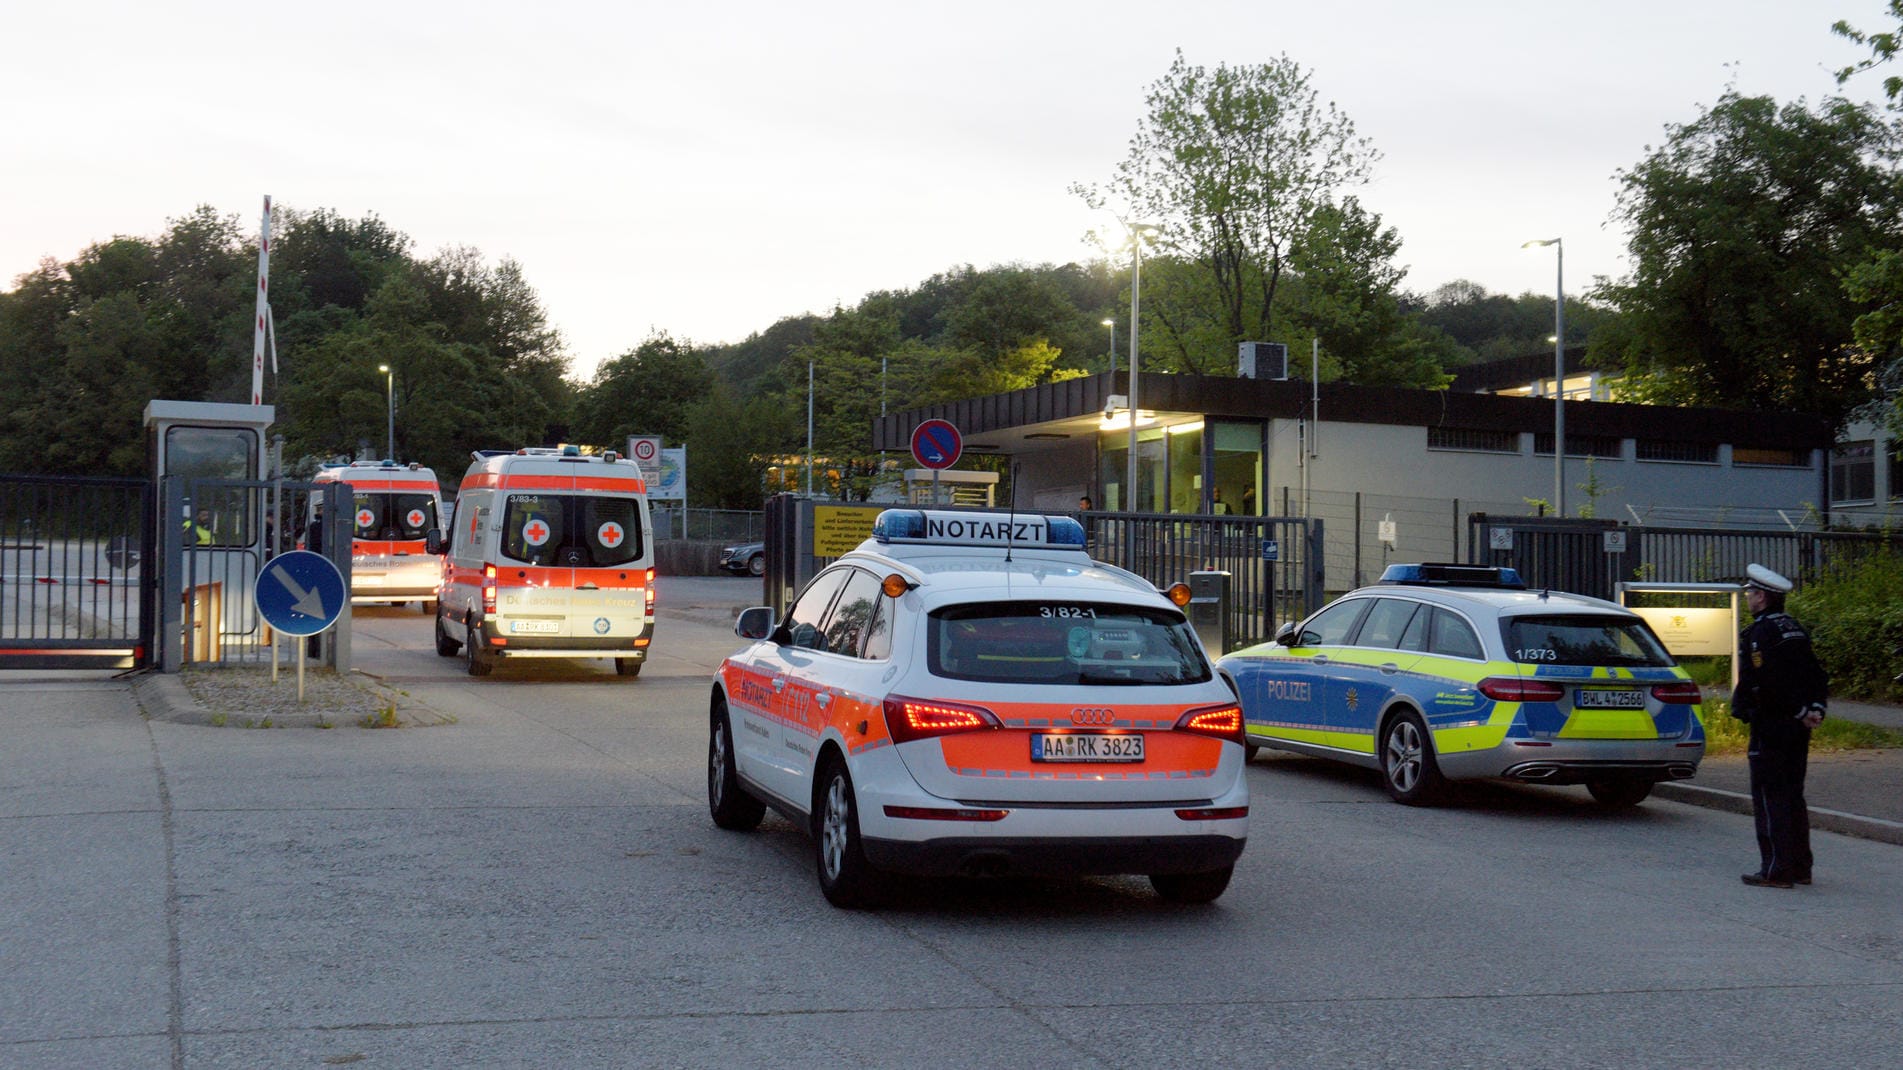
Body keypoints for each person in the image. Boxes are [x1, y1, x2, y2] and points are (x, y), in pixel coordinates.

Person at [1731, 563, 1829, 889]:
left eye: (1750, 593)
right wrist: (1814, 708)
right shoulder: (1794, 628)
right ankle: (1801, 866)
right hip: (1796, 728)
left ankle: (1776, 869)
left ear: (1762, 596)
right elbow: (1815, 673)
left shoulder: (1762, 632)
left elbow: (1768, 681)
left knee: (1769, 795)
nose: (1747, 598)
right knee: (1792, 794)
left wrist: (1798, 709)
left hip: (1772, 725)